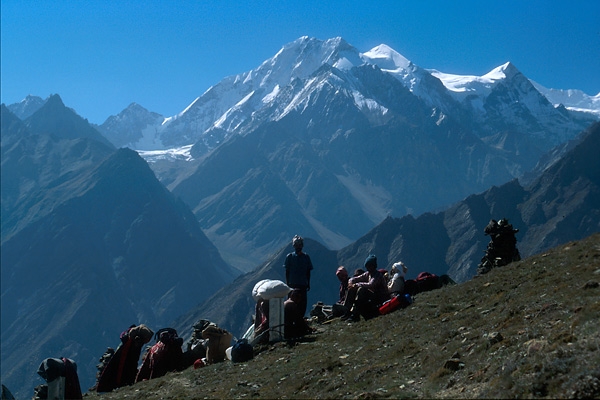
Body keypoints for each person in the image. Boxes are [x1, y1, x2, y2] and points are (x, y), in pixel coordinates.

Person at [343, 255, 390, 322]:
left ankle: (355, 314)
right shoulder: (367, 274)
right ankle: (347, 311)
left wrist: (356, 285)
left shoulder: (378, 275)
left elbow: (370, 284)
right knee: (351, 289)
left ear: (373, 266)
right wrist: (351, 283)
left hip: (380, 298)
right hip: (373, 297)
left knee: (361, 290)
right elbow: (354, 279)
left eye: (369, 266)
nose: (368, 268)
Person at [284, 235, 313, 317]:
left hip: (302, 284)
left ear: (302, 246)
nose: (298, 247)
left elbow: (308, 272)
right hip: (293, 284)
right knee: (291, 303)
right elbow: (287, 271)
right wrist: (287, 283)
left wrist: (308, 283)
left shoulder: (306, 257)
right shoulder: (290, 257)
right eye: (296, 245)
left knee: (302, 304)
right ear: (294, 246)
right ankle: (291, 318)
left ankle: (299, 318)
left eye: (299, 245)